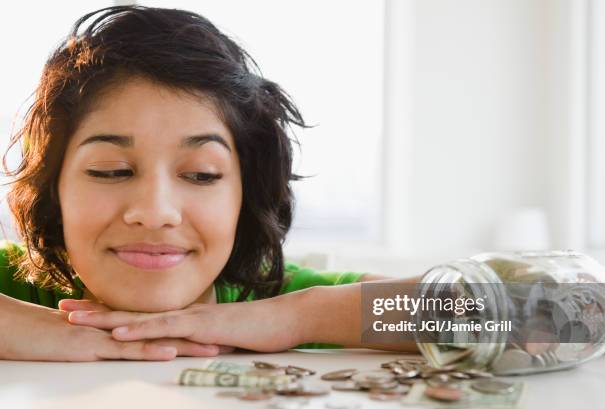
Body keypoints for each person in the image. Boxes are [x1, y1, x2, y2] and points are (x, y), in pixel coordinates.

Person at [0, 5, 420, 361]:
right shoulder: (18, 288)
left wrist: (301, 316)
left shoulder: (271, 297)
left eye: (201, 174)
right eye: (112, 171)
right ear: (54, 190)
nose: (155, 212)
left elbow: (480, 307)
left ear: (246, 195)